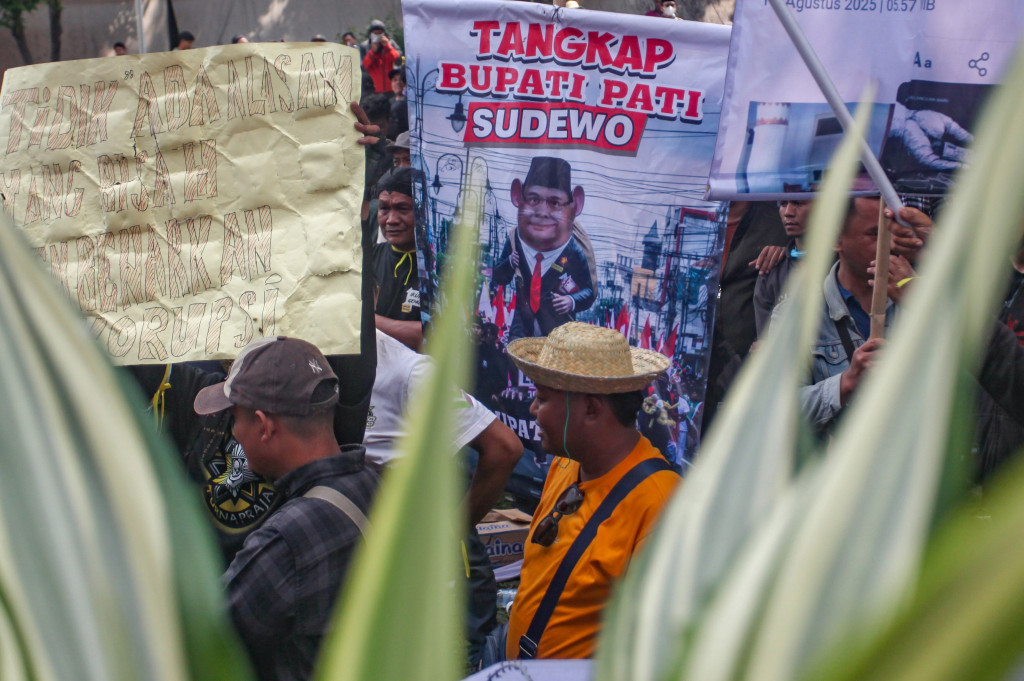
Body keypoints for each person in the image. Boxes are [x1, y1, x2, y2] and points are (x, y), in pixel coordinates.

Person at [196, 336, 378, 681]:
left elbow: (208, 644)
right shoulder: (374, 486)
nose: (233, 433)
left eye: (235, 420)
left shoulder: (287, 540)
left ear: (264, 426)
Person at [504, 322, 680, 659]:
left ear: (590, 409)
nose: (533, 411)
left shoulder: (660, 504)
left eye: (542, 398)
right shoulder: (566, 463)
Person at [797, 196, 894, 432]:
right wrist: (846, 382)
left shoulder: (915, 301)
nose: (890, 244)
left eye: (894, 232)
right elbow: (777, 413)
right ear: (836, 239)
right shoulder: (799, 315)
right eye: (875, 234)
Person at [492, 157, 597, 340]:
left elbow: (589, 292)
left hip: (558, 333)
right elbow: (500, 277)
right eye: (533, 199)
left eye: (555, 203)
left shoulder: (573, 252)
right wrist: (509, 263)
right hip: (521, 330)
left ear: (575, 206)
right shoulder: (514, 240)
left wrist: (571, 301)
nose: (542, 212)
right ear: (518, 196)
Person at [372, 166, 424, 349]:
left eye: (402, 208)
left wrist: (365, 321)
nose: (391, 219)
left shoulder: (440, 269)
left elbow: (431, 337)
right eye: (384, 208)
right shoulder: (366, 259)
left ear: (422, 211)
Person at [753, 198, 812, 336]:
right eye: (783, 204)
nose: (788, 213)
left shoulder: (842, 263)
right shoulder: (771, 270)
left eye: (798, 203)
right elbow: (765, 340)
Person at [362, 21, 401, 94]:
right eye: (375, 33)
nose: (377, 36)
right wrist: (372, 52)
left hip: (391, 89)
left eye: (380, 33)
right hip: (374, 90)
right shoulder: (365, 46)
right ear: (370, 34)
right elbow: (363, 67)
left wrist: (388, 47)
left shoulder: (391, 43)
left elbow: (399, 61)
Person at [389, 66, 409, 137]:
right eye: (394, 80)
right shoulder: (388, 103)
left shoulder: (409, 103)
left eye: (401, 80)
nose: (398, 82)